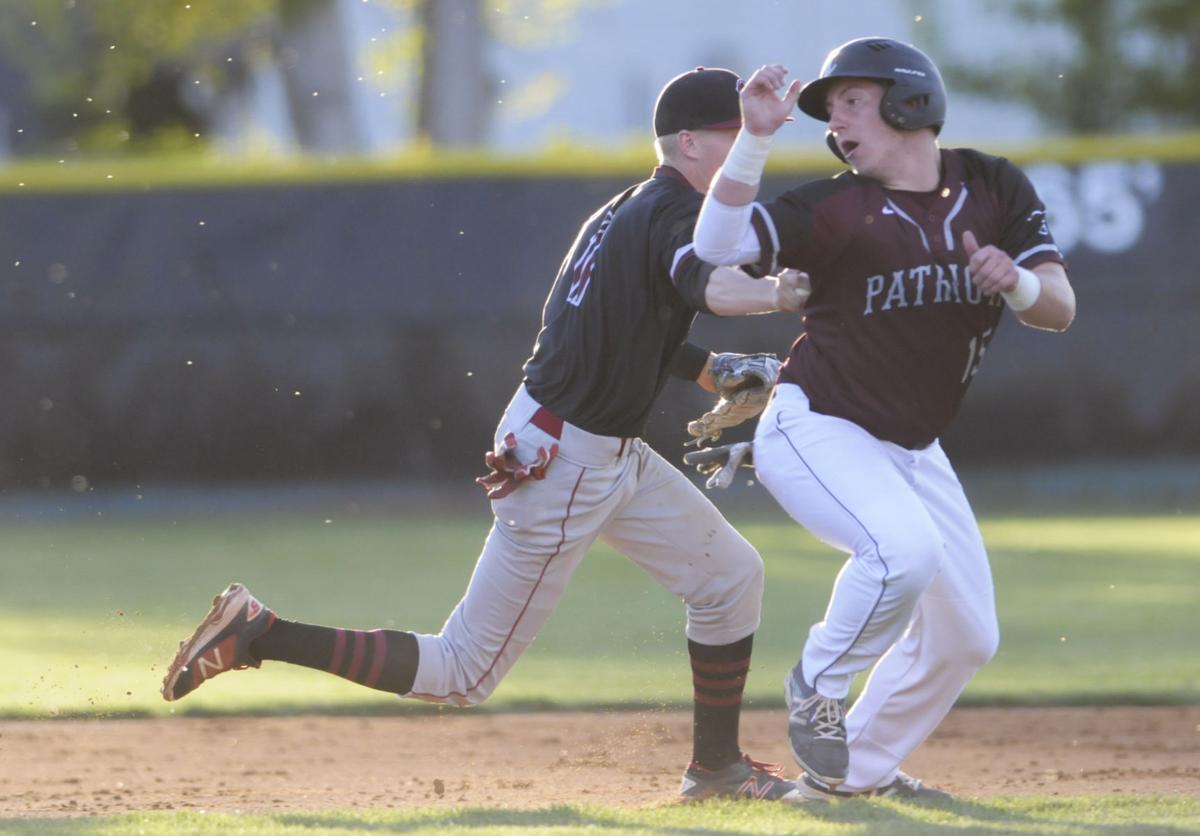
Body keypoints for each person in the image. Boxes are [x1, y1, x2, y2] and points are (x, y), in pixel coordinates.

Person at [161, 67, 811, 803]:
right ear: (689, 141)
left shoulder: (625, 211)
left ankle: (717, 770)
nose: (743, 148)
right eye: (732, 132)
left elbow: (617, 331)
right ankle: (260, 631)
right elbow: (714, 288)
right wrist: (781, 294)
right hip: (568, 459)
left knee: (730, 578)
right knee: (462, 672)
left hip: (591, 446)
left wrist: (712, 371)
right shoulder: (669, 215)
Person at [692, 38, 1076, 801]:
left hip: (911, 445)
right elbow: (715, 245)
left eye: (852, 102)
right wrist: (759, 138)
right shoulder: (833, 206)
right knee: (902, 552)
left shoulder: (992, 185)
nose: (836, 123)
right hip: (816, 425)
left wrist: (1018, 287)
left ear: (911, 102)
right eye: (830, 112)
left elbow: (1059, 309)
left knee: (967, 635)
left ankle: (852, 774)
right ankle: (818, 686)